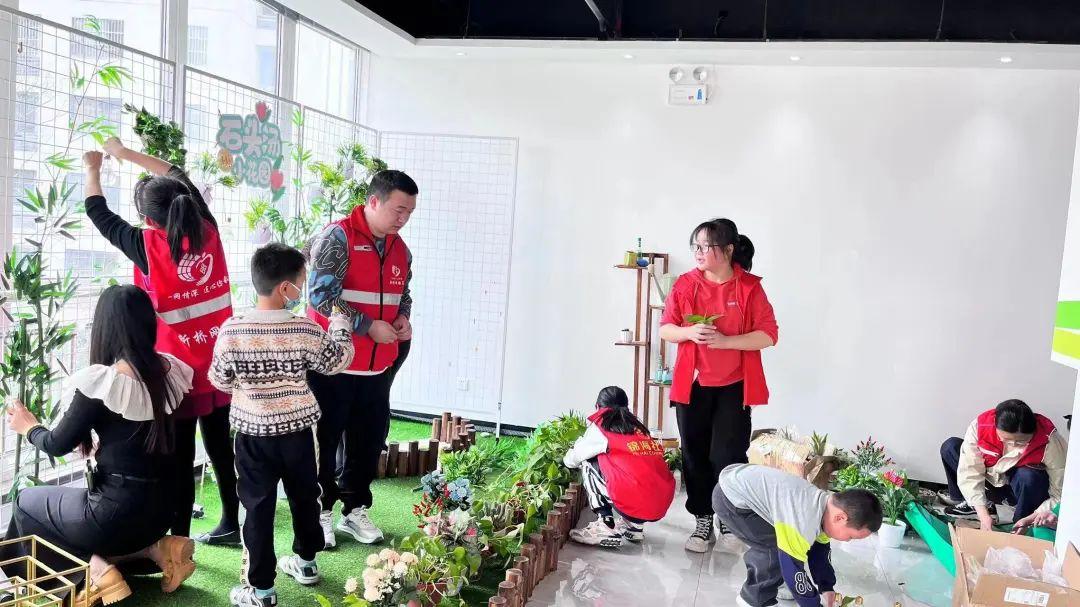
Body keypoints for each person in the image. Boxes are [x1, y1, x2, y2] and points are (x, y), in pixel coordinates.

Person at [85, 139, 240, 545]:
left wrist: (93, 169)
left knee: (182, 458)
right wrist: (125, 154)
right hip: (222, 362)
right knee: (223, 449)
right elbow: (174, 171)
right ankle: (231, 524)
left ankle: (179, 542)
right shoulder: (208, 227)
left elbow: (98, 213)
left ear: (147, 219)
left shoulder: (147, 247)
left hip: (180, 375)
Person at [2, 285, 197, 604]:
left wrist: (29, 426)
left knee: (26, 502)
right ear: (149, 323)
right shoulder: (172, 372)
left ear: (104, 328)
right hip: (163, 511)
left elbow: (55, 443)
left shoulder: (102, 382)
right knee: (87, 514)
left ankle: (95, 574)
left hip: (115, 516)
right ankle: (161, 549)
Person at [210, 243, 355, 607]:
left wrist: (250, 390)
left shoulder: (232, 330)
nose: (302, 288)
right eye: (300, 282)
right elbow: (336, 361)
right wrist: (340, 324)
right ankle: (306, 563)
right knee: (305, 498)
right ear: (284, 289)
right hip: (299, 434)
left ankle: (261, 590)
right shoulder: (303, 328)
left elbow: (219, 379)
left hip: (252, 436)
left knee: (256, 508)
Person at [307, 170, 417, 548]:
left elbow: (403, 293)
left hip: (377, 366)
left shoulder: (400, 248)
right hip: (333, 365)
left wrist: (402, 317)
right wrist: (367, 325)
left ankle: (355, 509)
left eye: (409, 212)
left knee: (368, 441)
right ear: (373, 201)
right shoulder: (337, 237)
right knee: (325, 438)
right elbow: (319, 296)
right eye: (398, 209)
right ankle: (319, 513)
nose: (403, 218)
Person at [658, 218, 779, 552]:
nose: (698, 252)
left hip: (733, 386)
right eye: (695, 246)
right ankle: (702, 520)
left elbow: (769, 335)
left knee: (727, 455)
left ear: (727, 249)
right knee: (694, 455)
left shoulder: (749, 288)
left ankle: (727, 515)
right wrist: (687, 333)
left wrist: (725, 342)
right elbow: (666, 328)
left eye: (705, 246)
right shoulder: (685, 284)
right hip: (692, 385)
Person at [715, 464, 882, 607]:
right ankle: (754, 599)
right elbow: (792, 569)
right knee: (776, 549)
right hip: (730, 499)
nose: (847, 540)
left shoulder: (825, 507)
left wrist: (826, 587)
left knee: (789, 551)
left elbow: (820, 553)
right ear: (840, 517)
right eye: (851, 536)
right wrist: (813, 603)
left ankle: (775, 583)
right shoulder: (804, 519)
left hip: (742, 482)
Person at [563, 386, 676, 549]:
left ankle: (605, 524)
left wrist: (569, 456)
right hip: (660, 503)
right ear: (626, 407)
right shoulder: (639, 429)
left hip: (636, 499)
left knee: (588, 462)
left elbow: (573, 459)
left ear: (597, 407)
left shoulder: (601, 428)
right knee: (631, 468)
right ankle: (634, 527)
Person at [940, 399, 1067, 531]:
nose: (1012, 445)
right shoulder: (980, 427)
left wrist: (1034, 517)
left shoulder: (1049, 440)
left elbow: (1060, 491)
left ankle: (1020, 523)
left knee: (1029, 475)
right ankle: (976, 506)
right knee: (951, 447)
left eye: (1021, 442)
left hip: (1022, 490)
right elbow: (969, 472)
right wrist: (983, 515)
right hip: (992, 483)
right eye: (1006, 439)